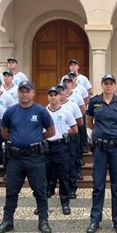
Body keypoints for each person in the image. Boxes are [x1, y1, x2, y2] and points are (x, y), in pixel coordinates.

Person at [0, 81, 55, 233]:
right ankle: (7, 221)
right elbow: (5, 132)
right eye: (22, 91)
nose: (24, 94)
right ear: (18, 93)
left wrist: (35, 139)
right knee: (11, 191)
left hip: (35, 157)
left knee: (40, 190)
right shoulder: (10, 111)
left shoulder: (40, 111)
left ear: (33, 93)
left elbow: (51, 131)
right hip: (15, 158)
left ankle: (43, 221)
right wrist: (18, 140)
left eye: (27, 91)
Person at [85, 74, 117, 233]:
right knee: (98, 185)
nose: (108, 86)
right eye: (106, 83)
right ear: (102, 85)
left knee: (116, 186)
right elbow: (89, 121)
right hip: (99, 148)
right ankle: (94, 220)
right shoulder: (94, 101)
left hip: (116, 148)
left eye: (111, 83)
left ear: (115, 85)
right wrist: (100, 132)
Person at [41, 86, 78, 215]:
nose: (53, 97)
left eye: (55, 95)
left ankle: (65, 203)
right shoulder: (43, 112)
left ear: (59, 96)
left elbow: (75, 129)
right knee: (44, 176)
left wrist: (64, 132)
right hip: (46, 146)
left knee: (63, 176)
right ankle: (42, 204)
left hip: (61, 146)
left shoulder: (66, 111)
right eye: (50, 95)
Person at [56, 83, 84, 199]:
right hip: (58, 139)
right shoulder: (51, 106)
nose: (60, 94)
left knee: (71, 163)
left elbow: (80, 122)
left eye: (62, 91)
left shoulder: (72, 105)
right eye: (58, 92)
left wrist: (68, 129)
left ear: (66, 92)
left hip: (71, 137)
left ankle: (72, 188)